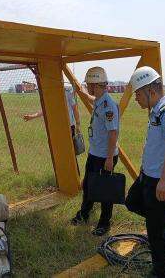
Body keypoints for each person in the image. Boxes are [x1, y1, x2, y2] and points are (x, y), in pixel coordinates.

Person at [125, 66, 165, 278]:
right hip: (149, 175)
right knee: (132, 201)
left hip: (163, 179)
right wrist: (144, 172)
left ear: (151, 92)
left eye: (138, 94)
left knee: (155, 229)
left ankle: (162, 270)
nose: (136, 99)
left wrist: (164, 180)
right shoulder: (157, 111)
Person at [70, 66, 119, 236]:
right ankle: (83, 215)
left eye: (88, 84)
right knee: (89, 186)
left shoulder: (109, 105)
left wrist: (109, 159)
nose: (88, 87)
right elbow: (90, 98)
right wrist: (81, 90)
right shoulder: (100, 100)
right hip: (95, 153)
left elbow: (113, 133)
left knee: (105, 191)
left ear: (95, 85)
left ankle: (104, 223)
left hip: (105, 155)